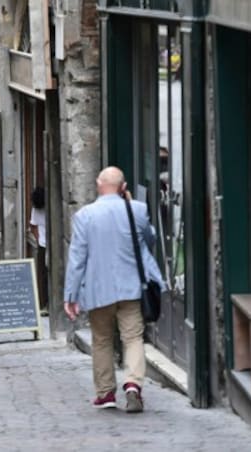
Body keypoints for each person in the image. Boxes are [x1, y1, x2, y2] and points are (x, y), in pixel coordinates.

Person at [63, 166, 164, 413]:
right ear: (123, 187)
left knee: (102, 339)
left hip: (99, 290)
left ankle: (106, 392)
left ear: (99, 184)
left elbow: (77, 258)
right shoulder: (137, 210)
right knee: (133, 337)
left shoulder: (85, 215)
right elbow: (150, 239)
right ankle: (132, 384)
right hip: (131, 287)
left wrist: (71, 295)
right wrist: (129, 206)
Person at [29, 186, 49, 315]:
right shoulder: (39, 208)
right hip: (45, 243)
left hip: (43, 244)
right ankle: (46, 304)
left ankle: (45, 304)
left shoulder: (37, 208)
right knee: (45, 275)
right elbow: (34, 225)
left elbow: (33, 226)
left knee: (43, 275)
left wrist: (38, 239)